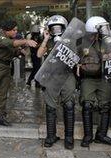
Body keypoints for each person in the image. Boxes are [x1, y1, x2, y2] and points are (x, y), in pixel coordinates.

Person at [77, 16, 111, 147]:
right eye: (102, 27)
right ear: (94, 29)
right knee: (87, 105)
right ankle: (88, 136)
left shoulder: (107, 40)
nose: (105, 30)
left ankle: (102, 135)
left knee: (106, 105)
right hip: (88, 78)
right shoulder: (81, 42)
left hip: (103, 77)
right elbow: (73, 56)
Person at [37, 15, 76, 149]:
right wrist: (46, 38)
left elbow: (77, 57)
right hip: (51, 77)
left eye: (59, 27)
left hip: (66, 76)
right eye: (53, 28)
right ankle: (50, 136)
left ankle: (69, 138)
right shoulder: (48, 41)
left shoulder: (71, 40)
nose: (56, 30)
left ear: (65, 28)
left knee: (69, 105)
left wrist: (64, 43)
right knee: (50, 107)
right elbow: (39, 54)